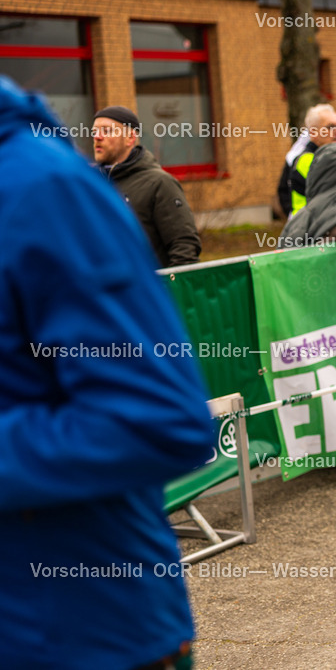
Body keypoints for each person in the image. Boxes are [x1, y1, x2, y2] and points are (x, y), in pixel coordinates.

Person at [0, 76, 214, 669]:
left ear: (132, 136)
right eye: (90, 131)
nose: (95, 140)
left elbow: (161, 421)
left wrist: (164, 296)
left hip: (77, 633)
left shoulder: (48, 190)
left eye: (106, 132)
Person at [92, 105, 201, 268]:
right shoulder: (90, 184)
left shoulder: (159, 183)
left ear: (130, 138)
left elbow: (185, 248)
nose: (97, 137)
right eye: (94, 132)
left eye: (107, 131)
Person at [288, 103, 336, 215]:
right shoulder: (308, 160)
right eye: (330, 127)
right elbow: (335, 196)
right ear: (314, 133)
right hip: (307, 227)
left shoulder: (332, 155)